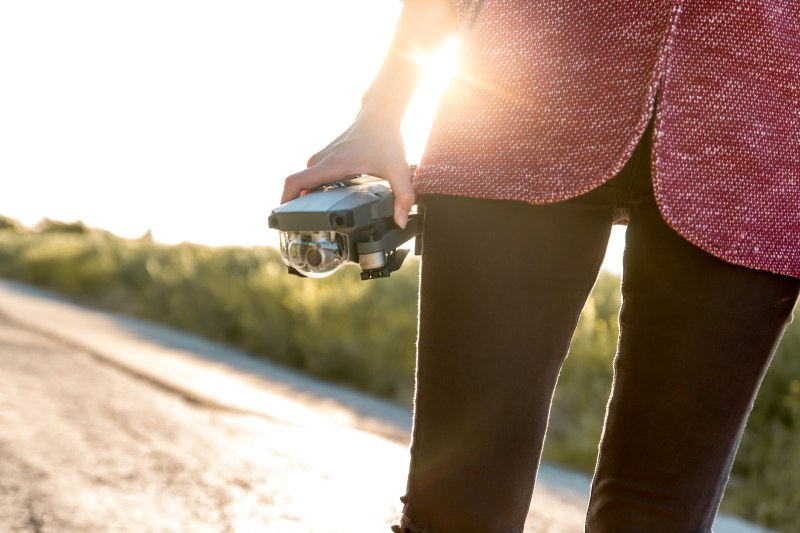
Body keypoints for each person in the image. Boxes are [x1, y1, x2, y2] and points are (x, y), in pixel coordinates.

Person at [282, 1, 800, 531]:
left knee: (659, 519)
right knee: (457, 506)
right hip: (516, 101)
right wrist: (381, 109)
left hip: (768, 149)